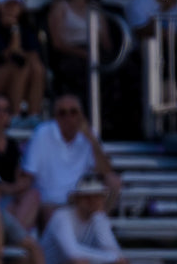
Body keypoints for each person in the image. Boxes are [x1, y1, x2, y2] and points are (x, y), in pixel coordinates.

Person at [14, 95, 121, 231]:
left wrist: (91, 139)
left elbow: (106, 171)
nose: (68, 117)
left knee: (113, 181)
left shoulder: (89, 135)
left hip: (81, 199)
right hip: (50, 202)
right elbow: (28, 175)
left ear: (81, 115)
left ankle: (98, 226)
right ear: (55, 117)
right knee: (54, 216)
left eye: (73, 112)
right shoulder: (42, 134)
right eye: (62, 113)